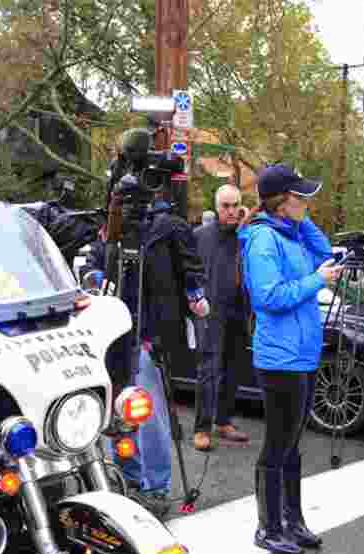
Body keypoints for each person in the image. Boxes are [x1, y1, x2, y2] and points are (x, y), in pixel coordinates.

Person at [85, 129, 206, 516]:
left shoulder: (169, 226)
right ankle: (128, 476)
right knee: (118, 410)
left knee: (149, 411)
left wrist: (194, 297)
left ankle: (157, 485)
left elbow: (190, 269)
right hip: (117, 331)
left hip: (152, 332)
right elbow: (103, 265)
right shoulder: (115, 225)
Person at [239, 163, 342, 554]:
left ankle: (292, 520)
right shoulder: (265, 240)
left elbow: (326, 250)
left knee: (293, 443)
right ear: (281, 202)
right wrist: (318, 281)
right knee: (278, 443)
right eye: (301, 196)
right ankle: (268, 527)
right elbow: (269, 297)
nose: (308, 201)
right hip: (280, 357)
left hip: (300, 353)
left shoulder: (290, 232)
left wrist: (301, 218)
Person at [193, 184, 252, 452]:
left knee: (234, 365)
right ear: (217, 207)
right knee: (209, 369)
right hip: (211, 310)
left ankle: (224, 420)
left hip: (239, 309)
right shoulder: (201, 236)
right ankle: (202, 428)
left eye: (235, 205)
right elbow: (188, 271)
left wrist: (245, 229)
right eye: (225, 206)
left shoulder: (247, 235)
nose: (231, 211)